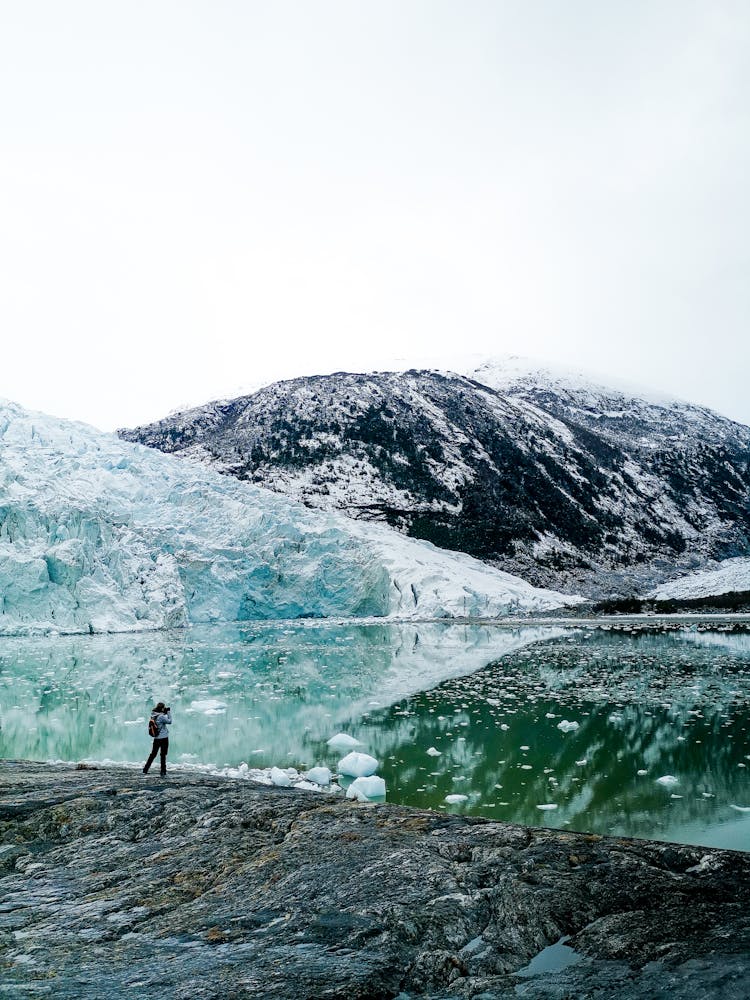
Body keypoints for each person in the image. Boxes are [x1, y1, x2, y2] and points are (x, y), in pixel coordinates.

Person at [143, 702, 172, 776]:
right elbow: (169, 721)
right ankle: (163, 771)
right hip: (164, 738)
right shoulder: (161, 716)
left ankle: (145, 769)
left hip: (156, 738)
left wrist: (164, 713)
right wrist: (168, 713)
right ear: (162, 708)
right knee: (163, 754)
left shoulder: (153, 715)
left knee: (153, 754)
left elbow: (160, 719)